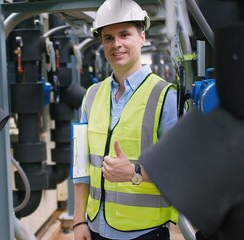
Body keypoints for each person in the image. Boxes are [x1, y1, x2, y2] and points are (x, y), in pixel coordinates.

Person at [73, 0, 179, 239]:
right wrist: (79, 220)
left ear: (142, 37)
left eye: (124, 34)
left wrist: (134, 171)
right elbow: (80, 165)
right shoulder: (91, 95)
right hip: (94, 227)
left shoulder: (165, 96)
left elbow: (180, 169)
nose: (116, 44)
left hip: (144, 232)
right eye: (108, 38)